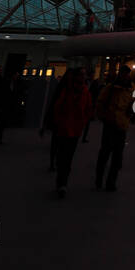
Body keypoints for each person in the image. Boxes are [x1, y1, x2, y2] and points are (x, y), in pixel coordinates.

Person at [52, 67, 93, 197]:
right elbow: (59, 106)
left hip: (72, 128)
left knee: (66, 157)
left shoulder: (80, 90)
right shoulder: (72, 90)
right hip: (67, 127)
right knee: (65, 157)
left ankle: (62, 182)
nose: (84, 77)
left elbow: (87, 108)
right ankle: (62, 182)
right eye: (82, 75)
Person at [94, 64, 135, 192]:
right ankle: (101, 180)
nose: (125, 76)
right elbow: (100, 103)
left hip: (120, 125)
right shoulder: (112, 88)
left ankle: (110, 182)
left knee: (115, 156)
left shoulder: (129, 89)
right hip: (111, 123)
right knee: (106, 154)